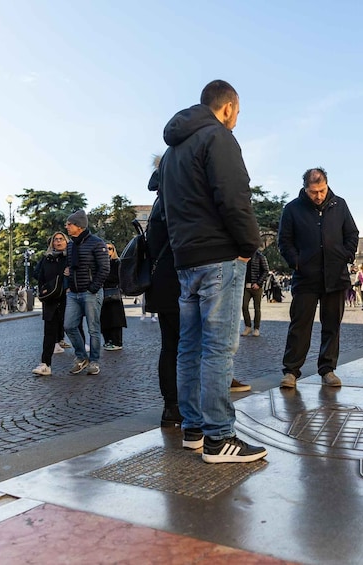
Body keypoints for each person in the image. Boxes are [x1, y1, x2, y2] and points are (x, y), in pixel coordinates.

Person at [158, 79, 267, 463]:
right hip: (219, 256)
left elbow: (168, 209)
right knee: (219, 348)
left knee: (188, 347)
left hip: (185, 258)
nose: (236, 120)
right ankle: (220, 437)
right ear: (227, 107)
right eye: (237, 113)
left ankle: (194, 430)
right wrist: (248, 247)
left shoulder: (173, 151)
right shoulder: (218, 138)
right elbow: (235, 198)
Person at [278, 166, 359, 389]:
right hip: (306, 277)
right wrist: (297, 262)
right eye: (314, 192)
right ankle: (291, 371)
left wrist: (346, 255)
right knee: (300, 325)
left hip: (336, 275)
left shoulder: (339, 205)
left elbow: (352, 234)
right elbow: (284, 241)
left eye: (322, 190)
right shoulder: (292, 209)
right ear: (305, 189)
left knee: (332, 325)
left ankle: (328, 369)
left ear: (327, 185)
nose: (319, 196)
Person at [145, 166, 182, 427]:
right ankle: (178, 404)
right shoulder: (175, 204)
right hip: (179, 284)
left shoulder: (158, 205)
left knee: (170, 346)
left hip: (162, 286)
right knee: (183, 347)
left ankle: (171, 406)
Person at [63, 209, 109, 376]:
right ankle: (82, 357)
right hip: (73, 293)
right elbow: (69, 267)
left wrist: (93, 288)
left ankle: (94, 361)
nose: (66, 226)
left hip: (91, 293)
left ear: (79, 226)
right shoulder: (70, 245)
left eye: (70, 224)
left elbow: (104, 268)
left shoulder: (97, 243)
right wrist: (68, 283)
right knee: (68, 325)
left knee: (93, 329)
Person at [32, 231, 69, 376]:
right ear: (52, 243)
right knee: (48, 334)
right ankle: (45, 364)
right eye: (56, 239)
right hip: (51, 300)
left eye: (61, 239)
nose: (58, 242)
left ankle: (82, 358)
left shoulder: (71, 258)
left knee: (73, 328)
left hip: (68, 298)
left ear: (66, 242)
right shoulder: (46, 259)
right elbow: (38, 275)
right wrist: (44, 289)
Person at [101, 242, 127, 351]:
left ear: (113, 250)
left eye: (110, 248)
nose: (108, 251)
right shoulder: (99, 263)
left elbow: (117, 277)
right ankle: (108, 340)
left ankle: (117, 342)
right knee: (104, 318)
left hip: (113, 294)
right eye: (105, 249)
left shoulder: (117, 262)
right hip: (102, 294)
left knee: (115, 319)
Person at [241, 249, 269, 337]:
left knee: (257, 308)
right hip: (246, 286)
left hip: (257, 287)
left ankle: (256, 328)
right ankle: (248, 326)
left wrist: (258, 283)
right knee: (244, 306)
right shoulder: (243, 256)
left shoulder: (260, 256)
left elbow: (266, 271)